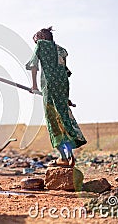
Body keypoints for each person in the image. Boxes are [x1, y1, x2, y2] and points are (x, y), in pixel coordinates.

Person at [26, 27, 87, 167]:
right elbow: (64, 73)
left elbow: (34, 65)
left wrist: (34, 86)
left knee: (53, 122)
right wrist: (66, 98)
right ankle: (70, 157)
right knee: (64, 120)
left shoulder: (41, 45)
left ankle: (63, 157)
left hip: (49, 87)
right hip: (62, 88)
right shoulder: (61, 50)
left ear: (41, 37)